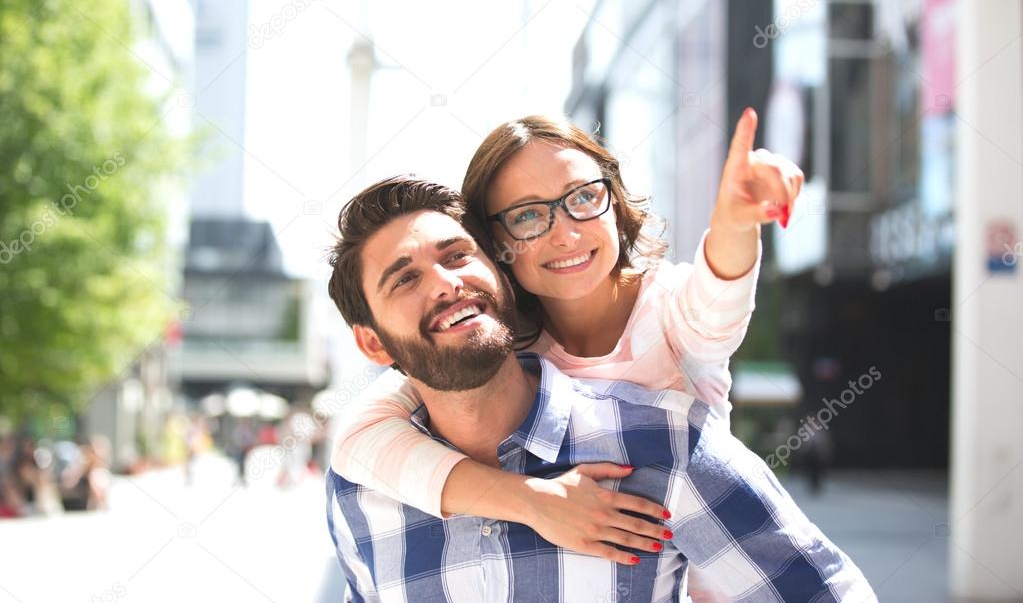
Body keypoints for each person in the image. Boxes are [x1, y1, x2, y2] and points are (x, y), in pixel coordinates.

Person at [324, 177, 875, 601]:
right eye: (405, 278)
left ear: (499, 273)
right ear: (374, 345)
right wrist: (530, 502)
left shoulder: (662, 445)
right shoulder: (359, 490)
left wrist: (735, 225)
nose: (446, 282)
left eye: (456, 255)